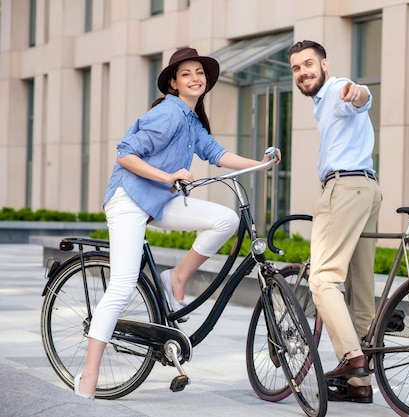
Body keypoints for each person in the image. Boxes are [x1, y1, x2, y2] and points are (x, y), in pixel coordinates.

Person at [74, 47, 281, 399]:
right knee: (123, 285)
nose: (195, 78)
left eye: (199, 72)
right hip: (128, 200)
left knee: (225, 219)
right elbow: (124, 153)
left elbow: (217, 154)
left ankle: (178, 277)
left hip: (159, 201)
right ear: (173, 83)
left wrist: (260, 163)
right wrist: (167, 174)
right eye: (186, 73)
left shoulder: (191, 121)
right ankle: (88, 378)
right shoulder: (169, 114)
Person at [288, 40, 382, 404]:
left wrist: (357, 93)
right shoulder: (321, 104)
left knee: (323, 278)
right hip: (367, 188)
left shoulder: (336, 91)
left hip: (343, 188)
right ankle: (360, 385)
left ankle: (351, 357)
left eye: (309, 64)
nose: (303, 72)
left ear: (325, 65)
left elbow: (358, 97)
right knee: (359, 287)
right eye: (296, 68)